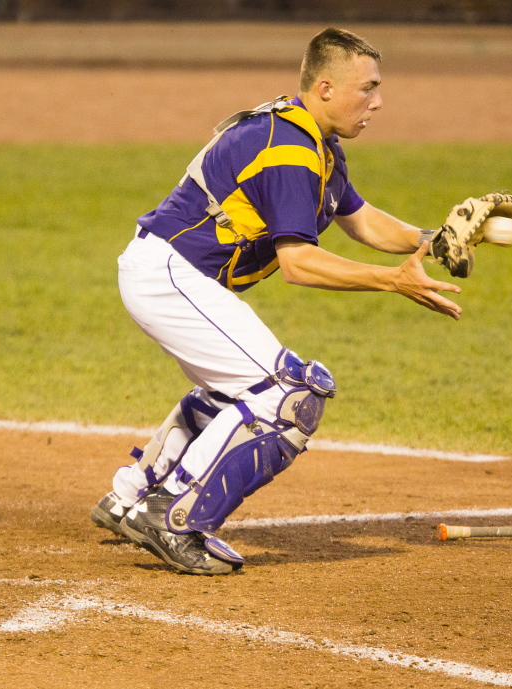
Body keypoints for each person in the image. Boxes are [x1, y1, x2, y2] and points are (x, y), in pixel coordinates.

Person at [89, 28, 468, 575]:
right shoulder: (288, 146)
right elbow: (298, 263)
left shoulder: (314, 140)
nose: (378, 101)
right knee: (290, 394)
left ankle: (133, 494)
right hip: (169, 275)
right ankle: (176, 515)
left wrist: (431, 240)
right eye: (368, 88)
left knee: (238, 392)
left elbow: (359, 219)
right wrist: (393, 281)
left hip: (169, 273)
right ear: (326, 87)